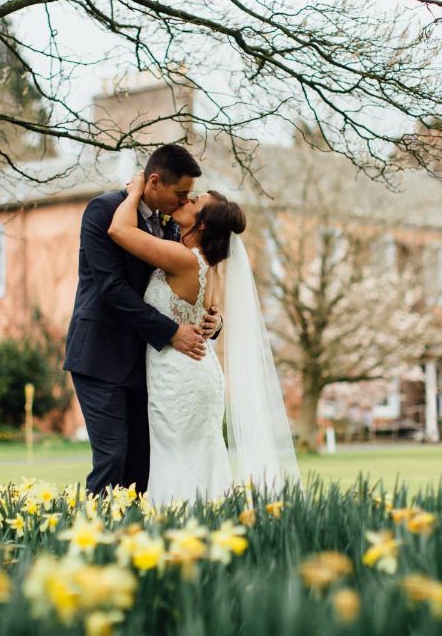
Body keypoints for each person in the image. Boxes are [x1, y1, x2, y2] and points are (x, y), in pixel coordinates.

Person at [108, 171, 299, 504]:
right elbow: (212, 313)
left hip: (179, 377)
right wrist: (218, 319)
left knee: (177, 460)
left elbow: (119, 230)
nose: (185, 199)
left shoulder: (184, 259)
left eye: (194, 201)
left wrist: (136, 189)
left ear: (203, 225)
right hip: (197, 372)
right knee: (198, 460)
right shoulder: (213, 266)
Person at [64, 145, 219, 495]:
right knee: (112, 456)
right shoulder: (103, 211)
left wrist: (213, 319)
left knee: (143, 463)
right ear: (153, 181)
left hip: (148, 363)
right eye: (180, 194)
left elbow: (198, 275)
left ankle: (133, 540)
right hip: (101, 355)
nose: (184, 203)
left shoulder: (172, 224)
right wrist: (170, 332)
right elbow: (111, 287)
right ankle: (94, 540)